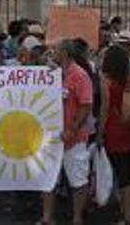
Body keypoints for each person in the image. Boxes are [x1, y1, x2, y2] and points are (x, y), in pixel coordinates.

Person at [40, 39, 93, 225]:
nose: (52, 52)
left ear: (64, 54)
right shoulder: (52, 75)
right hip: (52, 138)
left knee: (77, 179)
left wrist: (72, 129)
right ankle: (47, 218)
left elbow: (86, 105)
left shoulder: (79, 75)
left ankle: (77, 218)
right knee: (48, 179)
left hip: (73, 138)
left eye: (55, 50)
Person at [100, 44, 130, 225]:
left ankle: (128, 215)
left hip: (115, 127)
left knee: (122, 173)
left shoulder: (106, 80)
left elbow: (105, 107)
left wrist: (100, 132)